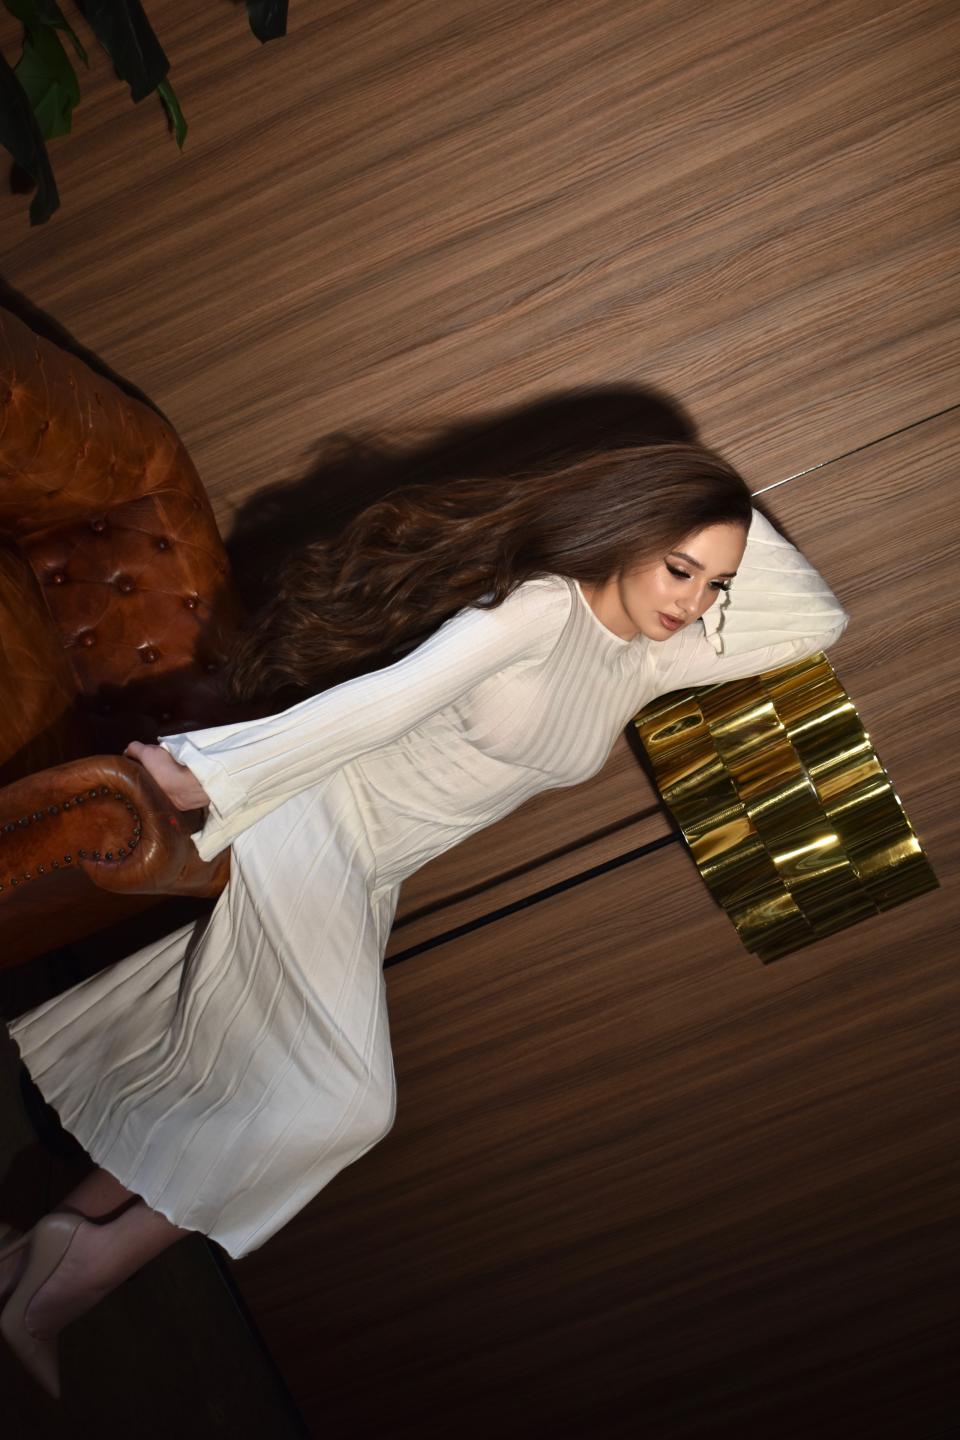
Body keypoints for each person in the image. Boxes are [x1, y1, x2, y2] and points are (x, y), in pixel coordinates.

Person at [0, 442, 849, 1395]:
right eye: (679, 569)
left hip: (374, 869)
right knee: (348, 1105)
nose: (692, 602)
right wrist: (209, 774)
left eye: (716, 584)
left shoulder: (653, 658)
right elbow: (381, 704)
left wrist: (711, 515)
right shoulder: (538, 609)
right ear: (628, 532)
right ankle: (73, 1273)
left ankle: (33, 1254)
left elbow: (816, 621)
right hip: (317, 815)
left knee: (229, 1051)